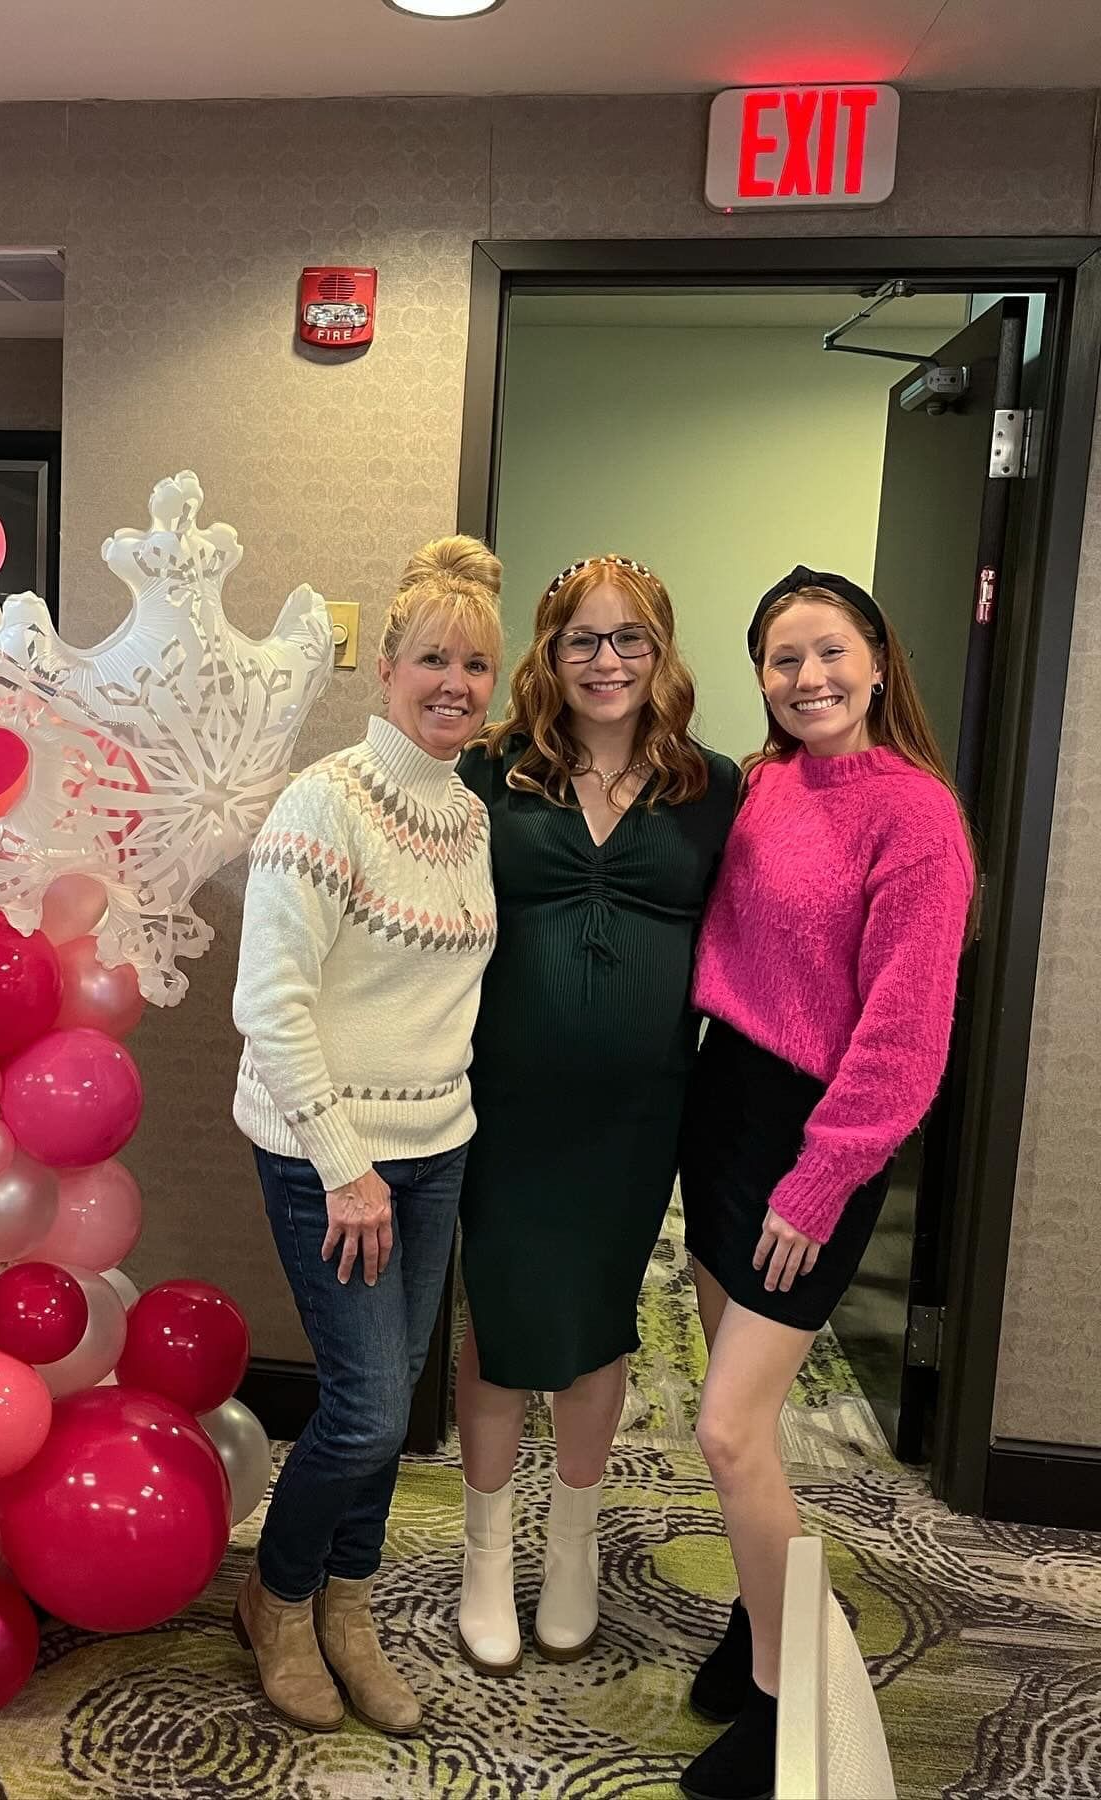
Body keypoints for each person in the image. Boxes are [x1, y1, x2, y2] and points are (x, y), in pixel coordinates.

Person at [676, 567, 976, 1800]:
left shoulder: (917, 817)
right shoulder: (760, 788)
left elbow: (906, 1038)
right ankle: (762, 1616)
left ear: (875, 657)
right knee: (734, 1414)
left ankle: (788, 1696)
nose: (809, 678)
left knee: (728, 1428)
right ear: (760, 675)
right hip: (725, 1108)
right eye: (783, 658)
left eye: (830, 652)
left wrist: (822, 1179)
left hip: (822, 1139)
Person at [230, 536, 503, 1737]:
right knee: (366, 1408)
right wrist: (346, 1165)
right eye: (433, 659)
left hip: (437, 1145)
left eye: (478, 666)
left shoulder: (471, 815)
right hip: (323, 1153)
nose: (455, 682)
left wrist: (420, 1149)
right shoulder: (323, 804)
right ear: (385, 666)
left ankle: (350, 1602)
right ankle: (279, 1598)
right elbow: (270, 1004)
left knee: (393, 1398)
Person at [453, 554, 739, 1676]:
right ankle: (484, 1555)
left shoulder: (713, 790)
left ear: (661, 654)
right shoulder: (491, 774)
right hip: (506, 1106)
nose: (607, 661)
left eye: (630, 640)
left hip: (637, 1116)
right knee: (504, 1322)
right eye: (584, 639)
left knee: (597, 1324)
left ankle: (570, 1547)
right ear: (549, 652)